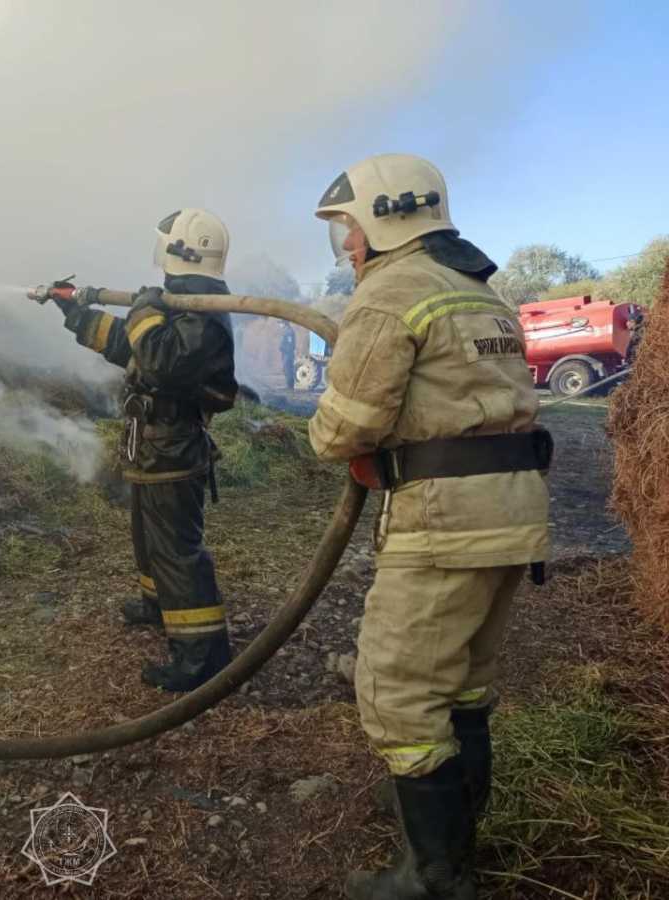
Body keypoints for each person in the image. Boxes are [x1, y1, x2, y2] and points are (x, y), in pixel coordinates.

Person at [308, 154, 551, 898]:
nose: (346, 247)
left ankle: (436, 877)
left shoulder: (393, 291)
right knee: (464, 684)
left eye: (346, 230)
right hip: (513, 511)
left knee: (399, 692)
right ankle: (458, 825)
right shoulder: (480, 292)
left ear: (384, 220)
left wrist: (326, 434)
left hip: (444, 523)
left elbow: (343, 428)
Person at [49, 208, 238, 692]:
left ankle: (200, 656)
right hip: (151, 441)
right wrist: (76, 313)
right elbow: (130, 347)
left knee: (175, 549)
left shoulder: (202, 309)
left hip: (173, 446)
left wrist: (146, 309)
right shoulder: (178, 304)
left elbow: (162, 361)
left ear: (181, 250)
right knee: (148, 538)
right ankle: (159, 606)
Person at [279, 321, 297, 389]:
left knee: (288, 369)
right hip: (285, 353)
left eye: (280, 323)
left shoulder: (289, 332)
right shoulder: (286, 331)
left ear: (284, 323)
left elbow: (290, 344)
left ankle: (290, 386)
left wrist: (286, 351)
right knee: (286, 369)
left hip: (288, 353)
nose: (279, 325)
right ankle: (289, 385)